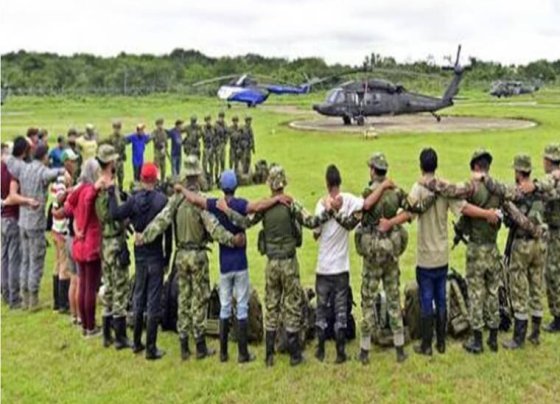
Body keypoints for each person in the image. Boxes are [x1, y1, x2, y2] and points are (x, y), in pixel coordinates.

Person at [378, 148, 500, 356]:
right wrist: (488, 213)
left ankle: (427, 344)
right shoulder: (445, 188)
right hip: (442, 254)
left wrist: (389, 223)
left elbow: (408, 213)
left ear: (420, 165)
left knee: (427, 299)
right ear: (436, 165)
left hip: (425, 255)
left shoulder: (418, 188)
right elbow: (465, 209)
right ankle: (441, 342)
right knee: (441, 298)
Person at [422, 150, 543, 354]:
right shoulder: (498, 190)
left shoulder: (472, 187)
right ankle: (493, 338)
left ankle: (477, 340)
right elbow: (515, 213)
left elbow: (450, 190)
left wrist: (430, 182)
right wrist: (535, 230)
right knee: (493, 292)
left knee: (476, 293)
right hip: (493, 249)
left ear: (476, 167)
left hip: (476, 249)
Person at [218, 165, 334, 367]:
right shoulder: (291, 204)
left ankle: (269, 355)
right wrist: (330, 212)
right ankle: (294, 354)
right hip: (289, 262)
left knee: (272, 306)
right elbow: (311, 221)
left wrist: (227, 211)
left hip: (271, 263)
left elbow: (245, 222)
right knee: (292, 306)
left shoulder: (264, 207)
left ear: (270, 185)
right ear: (284, 183)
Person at [135, 156, 245, 361]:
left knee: (183, 298)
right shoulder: (200, 201)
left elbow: (161, 222)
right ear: (198, 175)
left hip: (181, 254)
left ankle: (184, 345)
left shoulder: (176, 200)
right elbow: (214, 229)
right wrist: (233, 240)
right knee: (200, 299)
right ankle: (200, 345)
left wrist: (144, 236)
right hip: (198, 255)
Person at [175, 170, 290, 364]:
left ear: (221, 187)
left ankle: (223, 353)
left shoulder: (215, 205)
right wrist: (277, 199)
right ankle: (243, 353)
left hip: (224, 265)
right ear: (236, 186)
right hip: (240, 263)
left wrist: (182, 189)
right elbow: (259, 205)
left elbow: (196, 200)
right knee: (242, 306)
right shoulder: (239, 204)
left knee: (225, 306)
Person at [482, 155, 547, 349]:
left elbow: (503, 197)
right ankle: (535, 333)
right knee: (536, 287)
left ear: (519, 172)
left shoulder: (519, 193)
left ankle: (518, 337)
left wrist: (485, 178)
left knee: (519, 289)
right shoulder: (540, 190)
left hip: (522, 245)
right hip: (540, 244)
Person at [108, 163, 172, 360]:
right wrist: (167, 257)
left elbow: (115, 213)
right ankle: (151, 347)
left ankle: (136, 342)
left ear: (141, 178)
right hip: (155, 254)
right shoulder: (162, 201)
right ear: (155, 179)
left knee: (138, 296)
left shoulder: (134, 201)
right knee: (153, 300)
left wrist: (112, 193)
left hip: (140, 254)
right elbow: (168, 232)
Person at [310, 164, 364, 364]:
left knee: (322, 309)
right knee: (341, 310)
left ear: (326, 183)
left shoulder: (320, 205)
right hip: (341, 267)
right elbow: (364, 204)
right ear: (339, 182)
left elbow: (315, 233)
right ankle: (341, 352)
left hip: (323, 267)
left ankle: (321, 350)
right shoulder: (349, 201)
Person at [19, 145, 65, 310]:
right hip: (36, 222)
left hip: (22, 220)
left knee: (25, 259)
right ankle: (33, 300)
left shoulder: (25, 169)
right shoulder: (42, 171)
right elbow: (51, 174)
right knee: (36, 260)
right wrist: (62, 170)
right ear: (45, 157)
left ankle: (23, 297)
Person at [94, 145, 132, 350]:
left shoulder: (100, 185)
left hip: (105, 242)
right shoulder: (108, 188)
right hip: (114, 241)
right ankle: (120, 337)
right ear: (109, 163)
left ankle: (107, 335)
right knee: (120, 288)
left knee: (108, 287)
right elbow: (112, 215)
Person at [65, 158, 103, 337]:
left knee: (82, 284)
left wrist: (76, 226)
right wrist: (85, 225)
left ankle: (84, 324)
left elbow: (69, 206)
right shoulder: (89, 190)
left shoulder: (78, 189)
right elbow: (88, 202)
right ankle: (90, 326)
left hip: (78, 243)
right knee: (90, 287)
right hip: (90, 243)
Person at [1, 138, 39, 309]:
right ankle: (14, 297)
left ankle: (5, 292)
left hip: (3, 218)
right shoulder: (14, 170)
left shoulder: (2, 167)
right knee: (14, 258)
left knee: (4, 258)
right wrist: (28, 201)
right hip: (12, 217)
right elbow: (13, 196)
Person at [539, 144, 560, 332]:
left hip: (556, 232)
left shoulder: (554, 179)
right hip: (553, 231)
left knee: (552, 273)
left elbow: (549, 194)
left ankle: (558, 316)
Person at [107, 121, 127, 190]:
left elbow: (124, 148)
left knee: (121, 177)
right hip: (113, 161)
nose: (117, 130)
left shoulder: (123, 137)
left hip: (120, 160)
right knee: (112, 178)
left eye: (118, 128)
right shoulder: (110, 138)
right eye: (115, 128)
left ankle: (121, 190)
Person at [201, 115, 215, 188]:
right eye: (207, 120)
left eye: (209, 120)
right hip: (206, 148)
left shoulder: (212, 128)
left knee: (212, 165)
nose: (208, 122)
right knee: (205, 166)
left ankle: (212, 181)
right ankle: (205, 182)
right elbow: (205, 137)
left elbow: (214, 137)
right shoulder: (204, 129)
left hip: (211, 148)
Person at [214, 111, 228, 182]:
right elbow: (214, 135)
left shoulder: (225, 124)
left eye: (222, 117)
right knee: (217, 162)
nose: (221, 119)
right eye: (220, 117)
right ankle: (216, 177)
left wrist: (225, 141)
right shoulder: (216, 125)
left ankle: (223, 177)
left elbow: (226, 133)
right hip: (217, 145)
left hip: (222, 145)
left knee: (223, 161)